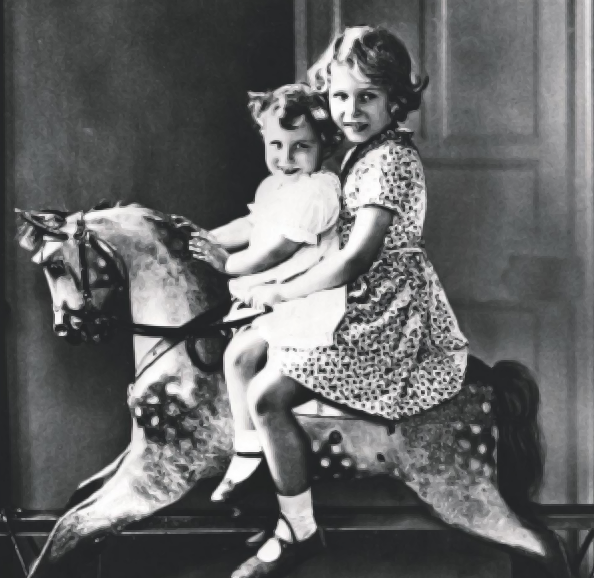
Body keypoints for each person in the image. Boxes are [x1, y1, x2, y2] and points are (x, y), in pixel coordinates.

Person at [229, 26, 469, 578]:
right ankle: (257, 476)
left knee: (266, 393)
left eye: (367, 96)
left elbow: (355, 257)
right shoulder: (356, 151)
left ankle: (298, 529)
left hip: (383, 311)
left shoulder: (391, 161)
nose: (351, 109)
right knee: (243, 346)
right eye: (340, 96)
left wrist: (281, 290)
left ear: (395, 99)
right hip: (345, 299)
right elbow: (286, 221)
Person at [189, 83, 344, 503]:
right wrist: (204, 239)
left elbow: (279, 249)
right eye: (277, 144)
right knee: (230, 349)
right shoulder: (273, 188)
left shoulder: (319, 191)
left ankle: (248, 453)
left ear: (324, 144)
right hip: (271, 297)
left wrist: (226, 263)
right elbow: (252, 227)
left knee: (239, 356)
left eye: (301, 146)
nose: (286, 158)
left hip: (303, 300)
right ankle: (249, 446)